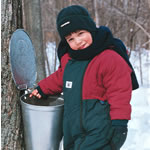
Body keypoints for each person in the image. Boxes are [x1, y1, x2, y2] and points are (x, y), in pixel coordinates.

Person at [30, 5, 139, 150]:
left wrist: (120, 123)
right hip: (72, 131)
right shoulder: (70, 60)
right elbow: (60, 77)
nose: (77, 41)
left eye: (81, 33)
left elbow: (119, 93)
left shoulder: (109, 58)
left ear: (91, 28)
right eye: (70, 39)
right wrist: (42, 88)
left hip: (100, 131)